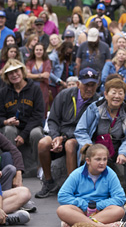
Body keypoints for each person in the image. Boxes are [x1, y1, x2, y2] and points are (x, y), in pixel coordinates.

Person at [35, 67, 100, 198]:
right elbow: (52, 119)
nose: (89, 89)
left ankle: (73, 187)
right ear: (78, 84)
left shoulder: (97, 102)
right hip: (59, 134)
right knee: (43, 143)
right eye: (86, 85)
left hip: (79, 137)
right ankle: (48, 182)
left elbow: (89, 129)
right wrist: (55, 138)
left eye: (93, 85)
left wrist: (63, 138)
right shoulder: (65, 95)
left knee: (70, 144)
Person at [74, 78, 126, 201]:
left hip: (116, 146)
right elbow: (80, 130)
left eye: (120, 93)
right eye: (113, 92)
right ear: (106, 94)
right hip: (96, 145)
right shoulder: (94, 108)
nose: (117, 96)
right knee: (95, 157)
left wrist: (123, 153)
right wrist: (90, 147)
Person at [57, 143, 126, 227]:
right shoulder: (77, 174)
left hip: (101, 211)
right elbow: (62, 196)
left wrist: (99, 206)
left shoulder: (110, 174)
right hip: (81, 210)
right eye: (98, 159)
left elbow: (120, 198)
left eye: (105, 159)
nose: (102, 163)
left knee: (119, 211)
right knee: (62, 210)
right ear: (88, 161)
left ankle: (76, 224)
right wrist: (84, 205)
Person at [0, 59, 44, 169]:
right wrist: (6, 121)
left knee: (37, 133)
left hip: (32, 127)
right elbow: (0, 115)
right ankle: (12, 167)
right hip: (14, 128)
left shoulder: (35, 89)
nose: (14, 75)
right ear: (6, 76)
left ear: (22, 71)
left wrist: (23, 135)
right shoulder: (3, 92)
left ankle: (41, 168)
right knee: (8, 130)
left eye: (16, 71)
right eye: (10, 73)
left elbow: (38, 115)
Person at [25, 42, 52, 117]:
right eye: (37, 50)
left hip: (43, 88)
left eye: (40, 50)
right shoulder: (29, 62)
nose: (38, 51)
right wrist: (40, 75)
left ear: (43, 51)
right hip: (31, 88)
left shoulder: (47, 62)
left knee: (42, 106)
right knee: (30, 105)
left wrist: (33, 76)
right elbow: (27, 75)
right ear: (34, 51)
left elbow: (46, 75)